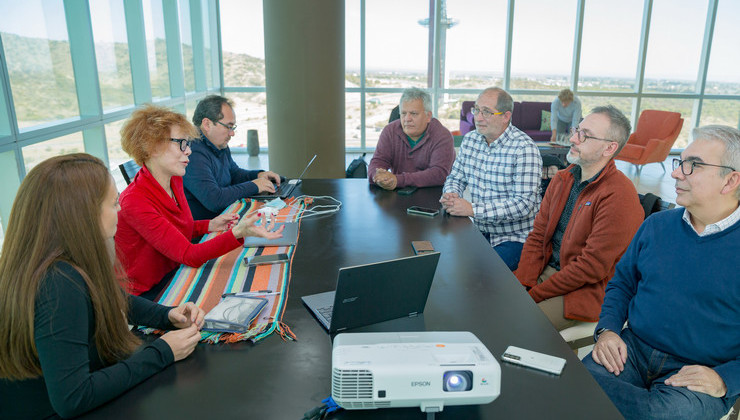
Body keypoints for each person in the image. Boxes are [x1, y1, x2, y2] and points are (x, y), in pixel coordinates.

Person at [0, 154, 206, 418]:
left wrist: (166, 315)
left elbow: (109, 298)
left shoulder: (56, 261)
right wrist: (163, 352)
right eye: (113, 203)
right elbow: (73, 397)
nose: (120, 210)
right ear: (82, 216)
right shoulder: (58, 284)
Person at [583, 125, 740, 420]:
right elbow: (622, 284)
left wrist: (726, 380)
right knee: (581, 384)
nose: (677, 173)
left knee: (660, 413)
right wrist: (608, 331)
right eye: (680, 163)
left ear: (730, 180)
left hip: (702, 370)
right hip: (632, 350)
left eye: (693, 166)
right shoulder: (656, 225)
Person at [116, 104, 284, 296]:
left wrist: (208, 225)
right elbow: (189, 255)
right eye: (181, 143)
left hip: (175, 272)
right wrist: (237, 232)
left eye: (187, 144)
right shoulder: (134, 201)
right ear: (152, 146)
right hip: (147, 294)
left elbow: (171, 231)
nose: (188, 151)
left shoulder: (174, 179)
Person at [514, 106, 643, 331]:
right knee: (494, 305)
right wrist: (523, 282)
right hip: (549, 272)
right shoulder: (563, 178)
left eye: (585, 135)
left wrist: (534, 294)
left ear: (609, 148)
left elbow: (590, 268)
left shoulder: (619, 195)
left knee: (521, 324)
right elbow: (538, 237)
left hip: (585, 290)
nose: (573, 138)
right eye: (577, 130)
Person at [440, 87, 542, 271]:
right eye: (476, 110)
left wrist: (472, 209)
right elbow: (456, 177)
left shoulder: (524, 149)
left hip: (516, 238)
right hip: (481, 230)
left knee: (478, 272)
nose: (478, 118)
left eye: (486, 112)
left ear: (506, 116)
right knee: (445, 261)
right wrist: (451, 193)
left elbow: (523, 205)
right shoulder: (470, 140)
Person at [183, 95, 282, 220]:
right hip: (205, 231)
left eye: (233, 127)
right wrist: (254, 185)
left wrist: (259, 175)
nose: (232, 133)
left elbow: (234, 174)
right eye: (228, 127)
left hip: (226, 217)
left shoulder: (218, 144)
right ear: (207, 124)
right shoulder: (192, 152)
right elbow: (214, 200)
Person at [368, 87, 455, 190]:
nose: (407, 119)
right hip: (398, 194)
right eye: (404, 113)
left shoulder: (443, 135)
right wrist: (378, 176)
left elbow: (439, 174)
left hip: (432, 196)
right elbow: (377, 162)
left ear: (428, 116)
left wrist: (398, 180)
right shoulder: (389, 131)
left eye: (413, 114)